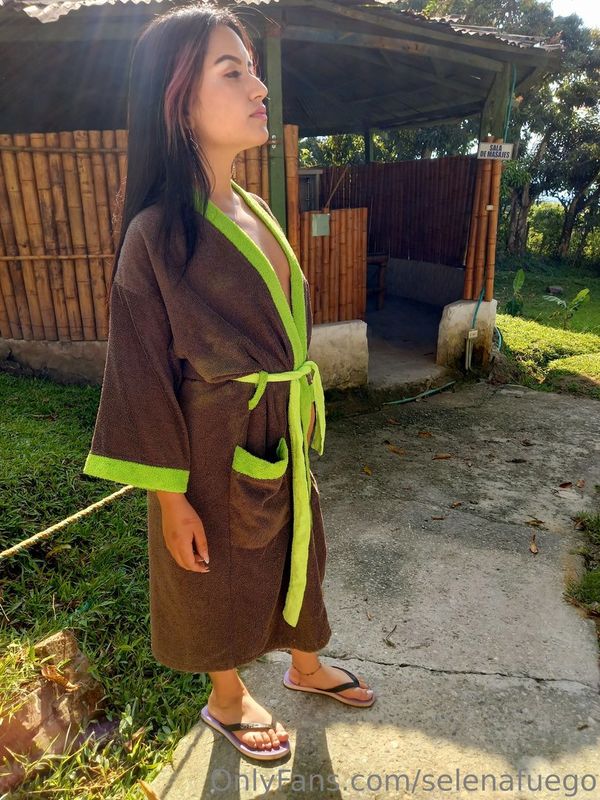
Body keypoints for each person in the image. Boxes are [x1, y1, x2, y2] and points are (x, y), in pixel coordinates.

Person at [83, 3, 375, 761]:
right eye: (231, 71)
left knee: (298, 548)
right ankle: (226, 696)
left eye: (252, 70)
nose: (259, 87)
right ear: (179, 102)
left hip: (280, 426)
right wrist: (169, 500)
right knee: (215, 572)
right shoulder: (156, 233)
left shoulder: (253, 209)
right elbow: (140, 375)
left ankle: (305, 664)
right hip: (210, 443)